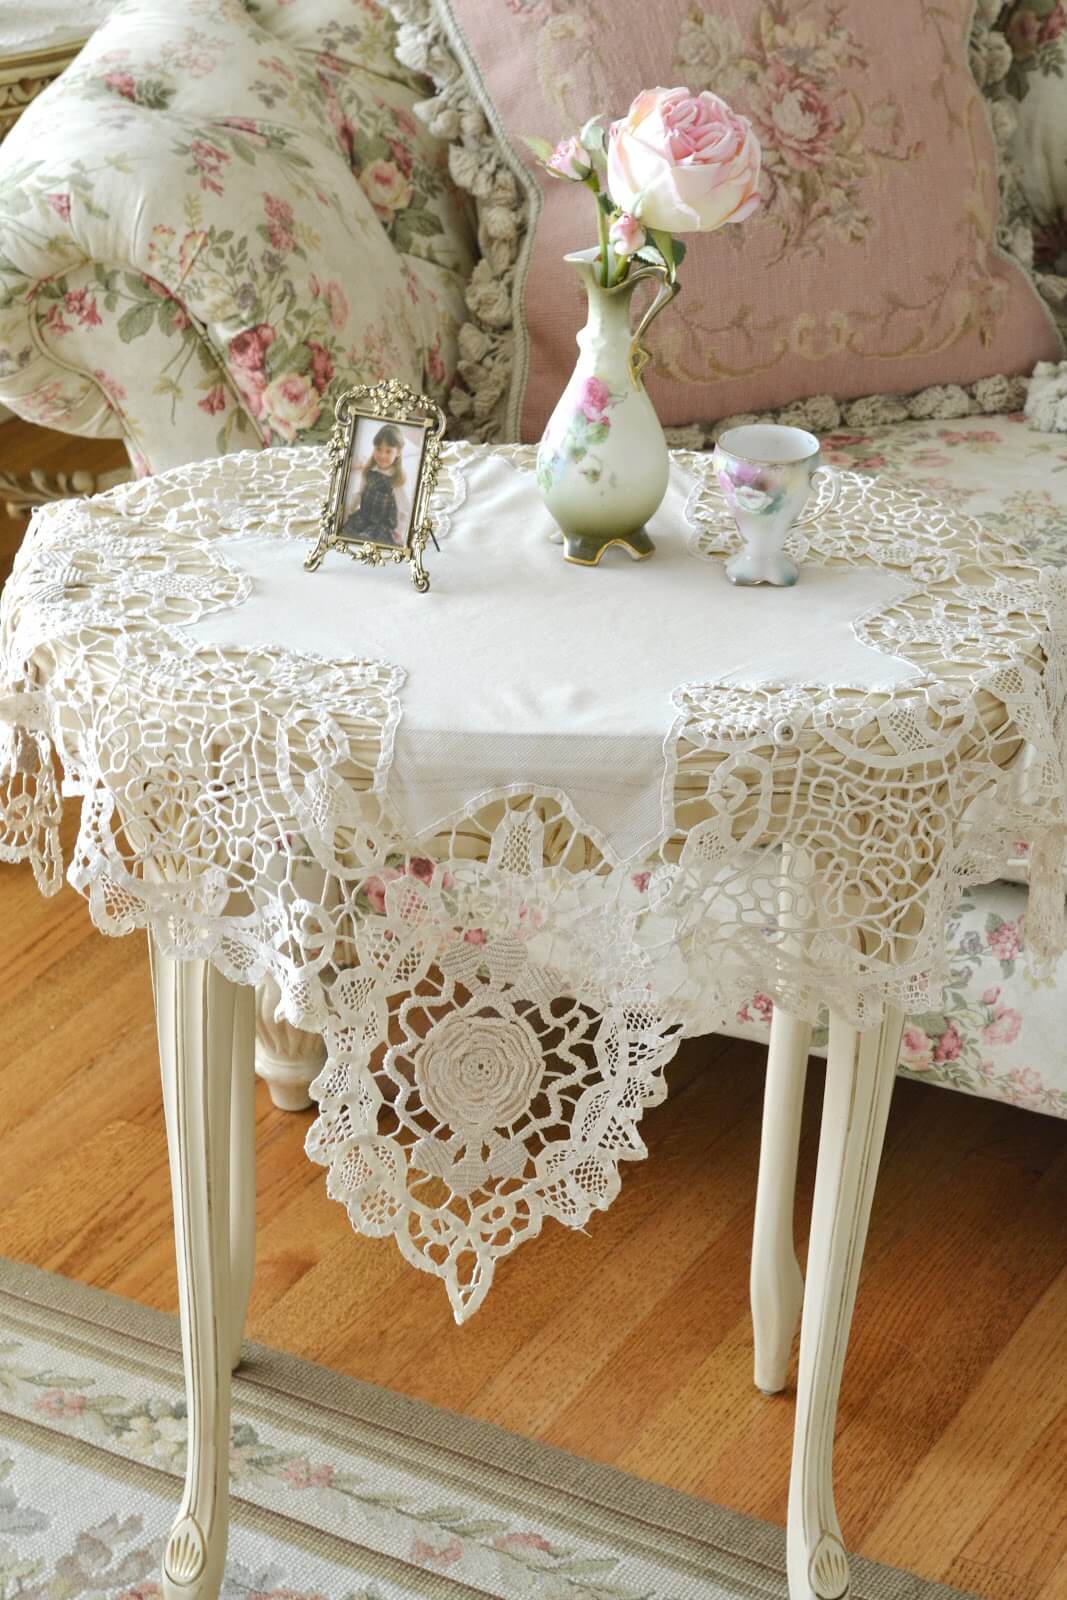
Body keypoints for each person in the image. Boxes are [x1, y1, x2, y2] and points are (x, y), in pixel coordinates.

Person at [341, 423, 411, 546]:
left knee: (367, 541)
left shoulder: (396, 478)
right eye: (378, 449)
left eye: (388, 451)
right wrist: (349, 511)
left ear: (398, 452)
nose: (382, 455)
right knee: (345, 531)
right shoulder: (369, 471)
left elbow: (404, 509)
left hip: (382, 524)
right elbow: (359, 494)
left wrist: (399, 531)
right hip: (364, 517)